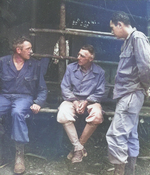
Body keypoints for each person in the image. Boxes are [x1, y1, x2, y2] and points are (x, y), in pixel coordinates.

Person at [106, 11, 150, 175]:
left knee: (116, 134)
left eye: (113, 28)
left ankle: (119, 172)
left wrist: (145, 87)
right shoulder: (128, 41)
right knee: (130, 133)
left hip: (131, 93)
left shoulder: (137, 38)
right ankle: (129, 171)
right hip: (128, 93)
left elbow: (146, 66)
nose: (112, 32)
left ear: (120, 24)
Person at [0, 36, 48, 174]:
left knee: (17, 112)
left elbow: (42, 89)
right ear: (18, 50)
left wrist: (38, 103)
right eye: (28, 49)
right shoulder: (3, 62)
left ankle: (19, 155)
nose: (31, 51)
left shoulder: (35, 65)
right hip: (4, 96)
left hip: (24, 98)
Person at [57, 45, 105, 163]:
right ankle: (79, 148)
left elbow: (101, 92)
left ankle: (77, 148)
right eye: (78, 54)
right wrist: (74, 101)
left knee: (97, 116)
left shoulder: (99, 72)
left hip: (91, 101)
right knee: (63, 113)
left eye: (82, 56)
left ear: (90, 59)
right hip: (72, 99)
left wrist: (86, 101)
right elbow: (65, 87)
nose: (78, 58)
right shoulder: (70, 68)